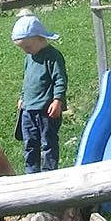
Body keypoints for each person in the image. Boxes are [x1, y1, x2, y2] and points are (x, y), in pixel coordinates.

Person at [11, 11, 69, 174]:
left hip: (46, 111)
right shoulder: (29, 58)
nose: (26, 51)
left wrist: (57, 100)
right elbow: (27, 80)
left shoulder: (53, 57)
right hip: (28, 109)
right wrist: (23, 97)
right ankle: (32, 171)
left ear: (40, 38)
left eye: (27, 47)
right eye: (22, 48)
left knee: (48, 142)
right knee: (30, 142)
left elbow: (60, 80)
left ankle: (50, 171)